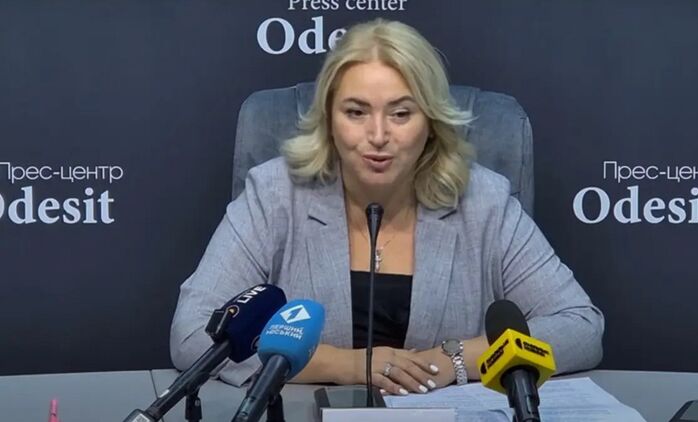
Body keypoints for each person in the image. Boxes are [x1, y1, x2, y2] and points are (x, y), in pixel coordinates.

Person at [170, 18, 604, 395]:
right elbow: (193, 333)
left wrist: (451, 360)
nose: (378, 136)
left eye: (401, 114)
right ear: (329, 119)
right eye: (356, 112)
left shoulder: (483, 202)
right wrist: (347, 365)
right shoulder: (275, 194)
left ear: (431, 123)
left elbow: (580, 328)